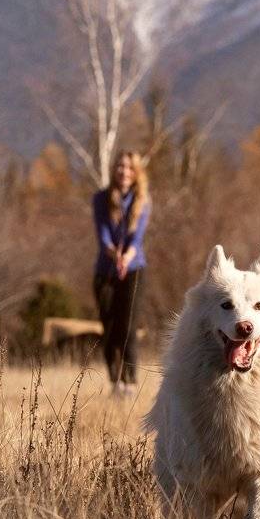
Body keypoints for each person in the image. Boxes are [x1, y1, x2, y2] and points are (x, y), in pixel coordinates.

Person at [93, 151, 151, 396]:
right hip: (105, 271)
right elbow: (103, 233)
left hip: (134, 269)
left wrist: (126, 257)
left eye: (129, 167)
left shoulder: (143, 200)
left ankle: (130, 381)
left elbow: (137, 238)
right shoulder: (100, 198)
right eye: (120, 166)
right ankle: (115, 381)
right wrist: (112, 253)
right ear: (114, 170)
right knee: (109, 328)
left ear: (135, 172)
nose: (124, 171)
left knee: (128, 327)